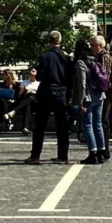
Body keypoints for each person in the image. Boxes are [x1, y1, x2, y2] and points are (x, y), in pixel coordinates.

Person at [27, 30, 73, 165]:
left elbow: (41, 76)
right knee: (62, 127)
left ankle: (35, 155)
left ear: (49, 42)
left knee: (40, 125)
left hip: (47, 92)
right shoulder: (66, 56)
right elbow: (70, 76)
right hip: (62, 92)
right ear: (60, 41)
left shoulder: (46, 56)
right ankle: (63, 156)